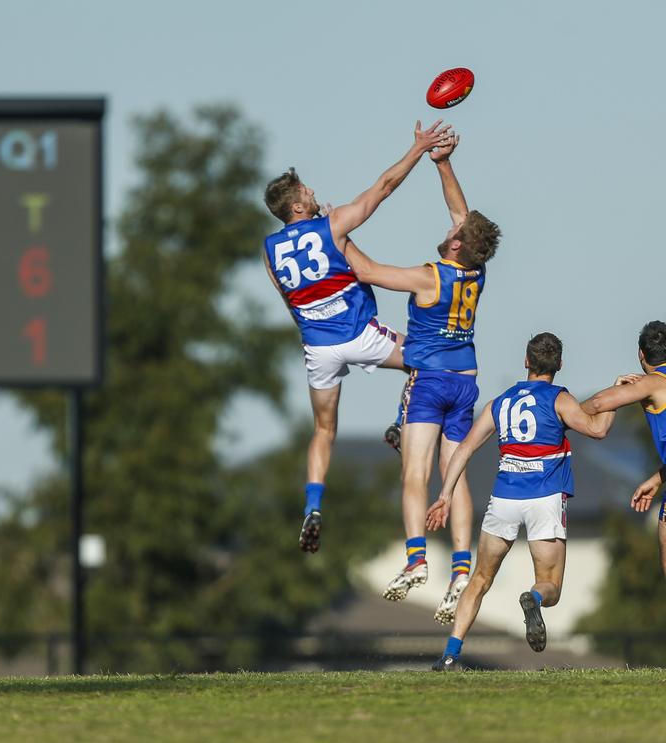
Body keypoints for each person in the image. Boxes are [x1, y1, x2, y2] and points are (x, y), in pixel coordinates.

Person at [263, 120, 453, 554]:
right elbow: (382, 188)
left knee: (324, 428)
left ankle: (313, 505)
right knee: (428, 357)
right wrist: (418, 149)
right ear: (297, 204)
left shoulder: (270, 250)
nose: (312, 191)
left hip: (317, 346)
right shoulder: (331, 224)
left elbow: (290, 302)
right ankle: (401, 424)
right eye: (305, 190)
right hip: (359, 332)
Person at [341, 134, 502, 623]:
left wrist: (336, 233)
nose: (453, 225)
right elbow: (462, 215)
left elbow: (366, 271)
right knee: (454, 478)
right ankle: (460, 568)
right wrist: (444, 165)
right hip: (465, 383)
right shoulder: (475, 273)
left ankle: (415, 560)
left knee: (415, 474)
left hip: (429, 382)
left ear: (456, 243)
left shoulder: (430, 276)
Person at [426, 334, 617, 670]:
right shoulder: (560, 399)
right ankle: (535, 598)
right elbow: (597, 429)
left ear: (526, 361)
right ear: (559, 365)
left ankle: (450, 654)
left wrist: (444, 496)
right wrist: (615, 398)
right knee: (551, 585)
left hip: (504, 499)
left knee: (480, 579)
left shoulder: (499, 403)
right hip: (544, 499)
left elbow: (465, 448)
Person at [581, 320, 666, 572]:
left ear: (641, 354)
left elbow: (597, 404)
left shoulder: (652, 384)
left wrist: (561, 414)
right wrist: (658, 478)